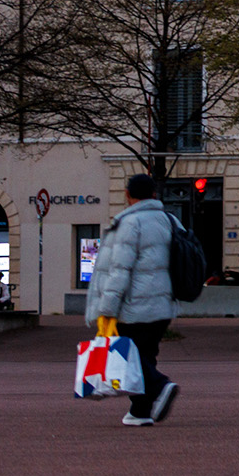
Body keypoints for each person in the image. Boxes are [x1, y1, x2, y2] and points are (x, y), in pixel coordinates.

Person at [85, 175, 180, 427]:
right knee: (145, 355)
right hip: (163, 304)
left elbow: (119, 270)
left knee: (130, 358)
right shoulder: (170, 221)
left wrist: (107, 308)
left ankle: (161, 386)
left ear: (127, 194)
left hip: (134, 305)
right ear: (154, 195)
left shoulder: (129, 223)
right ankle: (140, 411)